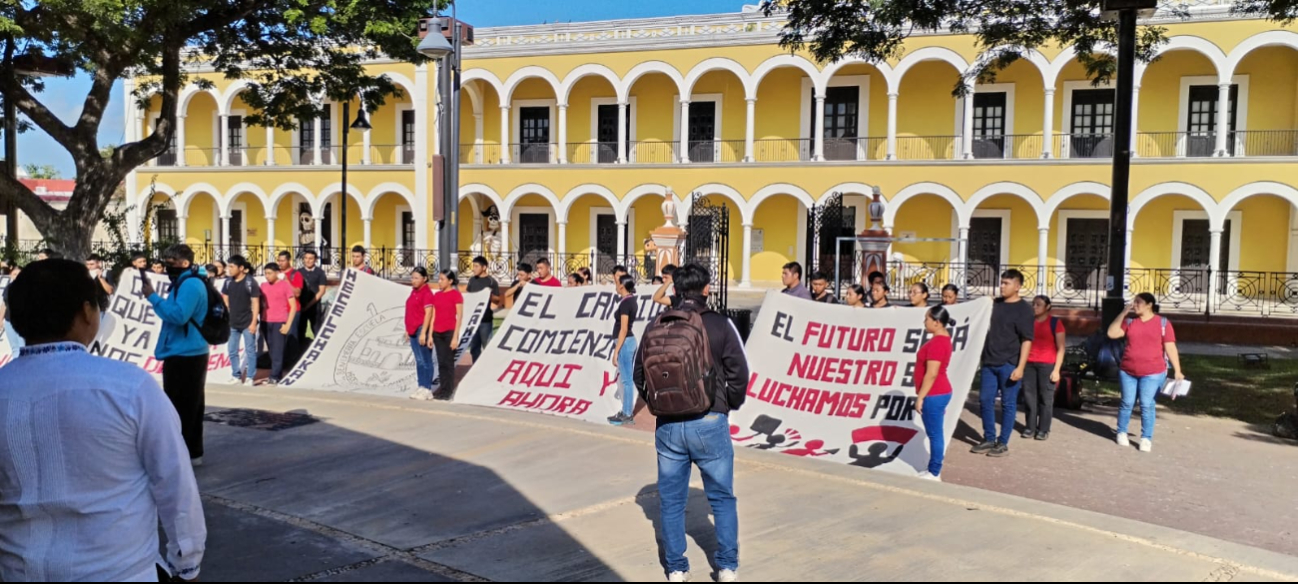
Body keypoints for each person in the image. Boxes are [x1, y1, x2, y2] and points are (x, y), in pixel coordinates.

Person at [0, 259, 206, 581]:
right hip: (120, 572)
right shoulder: (130, 388)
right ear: (87, 312)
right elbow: (175, 484)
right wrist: (188, 564)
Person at [634, 263, 748, 583]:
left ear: (674, 290)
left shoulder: (656, 324)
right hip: (710, 419)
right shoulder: (719, 325)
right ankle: (725, 567)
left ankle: (676, 568)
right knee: (722, 498)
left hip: (668, 426)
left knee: (671, 502)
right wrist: (728, 405)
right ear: (707, 289)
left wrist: (662, 402)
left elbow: (638, 376)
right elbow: (739, 373)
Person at [141, 244, 211, 467]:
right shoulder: (184, 282)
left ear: (185, 263)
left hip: (186, 353)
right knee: (188, 404)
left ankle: (186, 453)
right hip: (183, 350)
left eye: (172, 261)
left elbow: (179, 315)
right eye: (166, 260)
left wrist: (153, 297)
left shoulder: (190, 284)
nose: (167, 264)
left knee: (183, 405)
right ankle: (190, 452)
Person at [1107, 292, 1184, 453]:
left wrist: (1178, 370)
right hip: (1128, 371)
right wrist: (1122, 313)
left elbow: (1170, 347)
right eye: (1134, 302)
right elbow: (1112, 333)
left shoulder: (1162, 323)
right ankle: (1121, 432)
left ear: (1149, 305)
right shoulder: (1130, 322)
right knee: (1127, 402)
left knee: (1147, 404)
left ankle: (1146, 438)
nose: (1134, 305)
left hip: (1153, 372)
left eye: (1138, 302)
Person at [971, 269, 1035, 458]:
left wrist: (1020, 367)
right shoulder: (995, 305)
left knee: (1008, 404)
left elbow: (1027, 339)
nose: (1002, 286)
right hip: (990, 362)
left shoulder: (1024, 310)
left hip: (1009, 364)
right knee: (984, 400)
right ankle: (989, 438)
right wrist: (984, 302)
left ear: (1017, 286)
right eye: (1001, 283)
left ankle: (1003, 442)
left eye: (1006, 283)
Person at [914, 305, 957, 481]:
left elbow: (932, 374)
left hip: (935, 393)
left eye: (927, 319)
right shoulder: (942, 339)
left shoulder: (938, 343)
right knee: (935, 433)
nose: (924, 322)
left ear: (937, 322)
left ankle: (934, 471)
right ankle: (932, 468)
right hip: (938, 392)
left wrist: (920, 397)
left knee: (935, 434)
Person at [1023, 295, 1066, 441]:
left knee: (1045, 398)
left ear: (1047, 307)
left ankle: (1043, 429)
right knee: (1029, 397)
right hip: (1028, 364)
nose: (1034, 307)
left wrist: (1056, 370)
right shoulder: (1028, 322)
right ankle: (1030, 427)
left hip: (1047, 365)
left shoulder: (1055, 323)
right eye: (1033, 304)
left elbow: (1061, 348)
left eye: (1038, 305)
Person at [222, 256, 261, 386]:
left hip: (247, 322)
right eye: (228, 266)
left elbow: (255, 303)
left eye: (232, 266)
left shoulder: (250, 282)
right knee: (232, 350)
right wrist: (227, 314)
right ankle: (236, 376)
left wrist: (253, 322)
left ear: (242, 268)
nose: (229, 269)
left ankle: (250, 377)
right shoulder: (228, 282)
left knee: (250, 350)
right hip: (233, 322)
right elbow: (225, 298)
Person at [259, 263, 298, 385]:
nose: (267, 276)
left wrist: (287, 324)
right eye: (265, 273)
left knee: (277, 350)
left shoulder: (284, 286)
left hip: (279, 321)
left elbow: (293, 306)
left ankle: (274, 376)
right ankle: (277, 373)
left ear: (277, 273)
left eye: (270, 273)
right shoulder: (263, 286)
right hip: (266, 321)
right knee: (271, 349)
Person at [608, 274, 639, 426]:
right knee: (627, 379)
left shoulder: (627, 303)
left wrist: (616, 351)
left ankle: (627, 413)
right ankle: (626, 411)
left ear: (622, 286)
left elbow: (624, 328)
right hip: (627, 342)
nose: (615, 285)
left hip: (625, 343)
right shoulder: (630, 300)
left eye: (617, 283)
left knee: (627, 380)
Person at [430, 269, 465, 401]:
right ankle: (442, 389)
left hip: (449, 332)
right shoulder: (437, 296)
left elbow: (459, 316)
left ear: (450, 281)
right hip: (437, 333)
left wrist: (455, 336)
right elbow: (433, 315)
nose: (439, 282)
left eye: (442, 279)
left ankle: (448, 391)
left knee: (448, 363)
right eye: (438, 279)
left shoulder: (456, 295)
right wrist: (430, 334)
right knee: (441, 362)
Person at [406, 267, 438, 401]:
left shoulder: (427, 293)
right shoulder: (414, 292)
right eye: (412, 277)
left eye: (416, 278)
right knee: (418, 360)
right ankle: (421, 386)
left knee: (426, 360)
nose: (413, 280)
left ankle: (427, 388)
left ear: (424, 279)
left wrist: (424, 332)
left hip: (420, 329)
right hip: (412, 329)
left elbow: (429, 314)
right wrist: (408, 330)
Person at [466, 256, 501, 362]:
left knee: (487, 347)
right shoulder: (472, 280)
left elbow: (497, 300)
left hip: (485, 320)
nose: (474, 269)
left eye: (476, 266)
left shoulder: (491, 281)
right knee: (474, 347)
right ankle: (475, 368)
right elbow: (469, 296)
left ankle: (487, 368)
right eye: (473, 266)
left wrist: (489, 295)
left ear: (484, 267)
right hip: (473, 320)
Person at [298, 250, 329, 343]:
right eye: (306, 258)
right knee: (300, 331)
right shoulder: (299, 272)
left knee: (317, 330)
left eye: (311, 258)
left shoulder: (320, 273)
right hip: (301, 305)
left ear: (315, 260)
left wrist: (308, 305)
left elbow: (322, 291)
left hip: (314, 306)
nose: (308, 261)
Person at [0, 265, 23, 351]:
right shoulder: (8, 288)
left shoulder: (27, 288)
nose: (16, 276)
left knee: (22, 347)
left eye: (19, 274)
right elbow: (4, 304)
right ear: (10, 275)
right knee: (14, 348)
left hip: (22, 322)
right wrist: (0, 319)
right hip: (9, 322)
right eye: (14, 274)